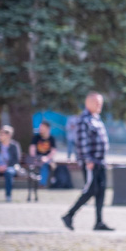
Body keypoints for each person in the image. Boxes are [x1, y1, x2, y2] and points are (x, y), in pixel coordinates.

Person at [61, 92, 114, 232]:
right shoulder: (84, 120)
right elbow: (82, 142)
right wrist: (87, 159)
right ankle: (69, 215)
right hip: (91, 162)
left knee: (101, 191)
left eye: (100, 103)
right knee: (90, 190)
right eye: (97, 103)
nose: (99, 105)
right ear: (88, 103)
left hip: (100, 162)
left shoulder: (96, 118)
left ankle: (99, 222)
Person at [29, 120, 57, 187]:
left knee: (45, 164)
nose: (40, 129)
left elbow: (53, 151)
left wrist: (46, 158)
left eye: (42, 128)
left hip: (47, 159)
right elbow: (32, 149)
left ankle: (41, 184)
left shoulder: (51, 138)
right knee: (38, 164)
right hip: (37, 158)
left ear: (48, 129)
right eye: (40, 128)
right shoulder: (36, 137)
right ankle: (41, 183)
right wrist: (35, 158)